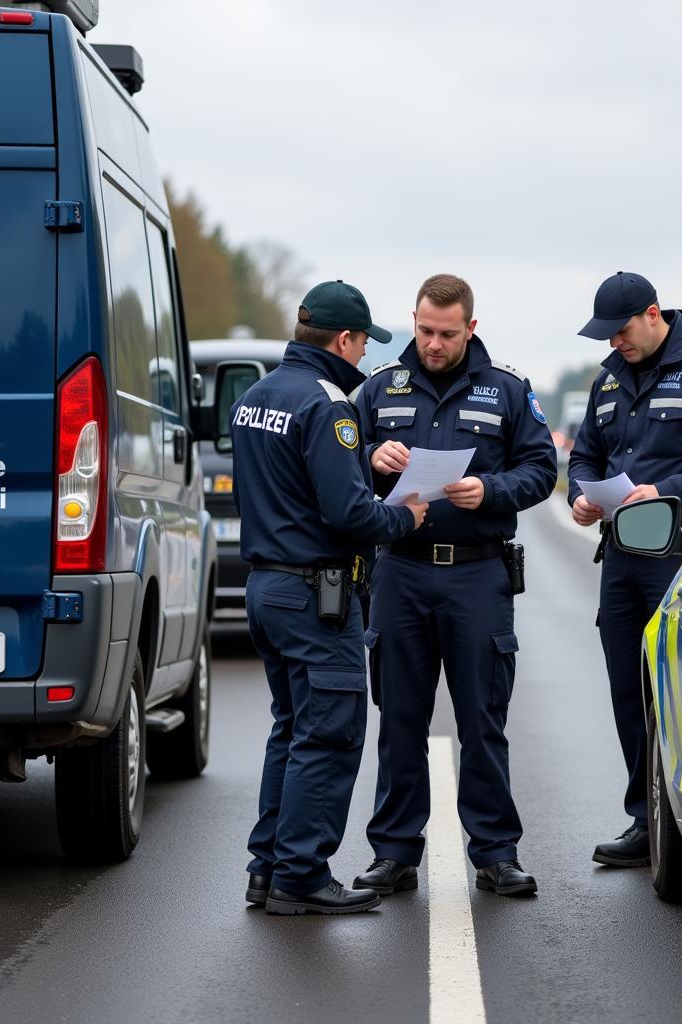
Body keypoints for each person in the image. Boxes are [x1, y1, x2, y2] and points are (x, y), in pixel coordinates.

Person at [352, 273, 557, 898]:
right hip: (401, 570)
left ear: (471, 327)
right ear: (413, 322)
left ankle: (496, 853)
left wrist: (490, 491)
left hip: (476, 572)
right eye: (423, 331)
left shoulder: (507, 392)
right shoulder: (379, 388)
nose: (433, 344)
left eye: (446, 333)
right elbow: (336, 456)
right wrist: (369, 456)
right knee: (400, 720)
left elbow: (542, 468)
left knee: (483, 720)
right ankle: (394, 853)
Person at [232, 279, 428, 915]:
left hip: (264, 586)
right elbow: (348, 512)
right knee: (330, 735)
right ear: (343, 339)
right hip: (316, 595)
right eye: (364, 345)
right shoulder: (328, 406)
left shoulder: (256, 396)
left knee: (290, 732)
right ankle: (302, 875)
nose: (365, 358)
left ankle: (267, 869)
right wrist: (406, 519)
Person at [568, 271, 682, 867]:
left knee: (675, 695)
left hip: (680, 557)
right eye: (606, 336)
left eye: (621, 331)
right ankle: (644, 819)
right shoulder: (607, 379)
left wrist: (664, 491)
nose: (614, 343)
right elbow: (586, 454)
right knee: (629, 690)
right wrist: (580, 495)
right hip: (621, 556)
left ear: (653, 315)